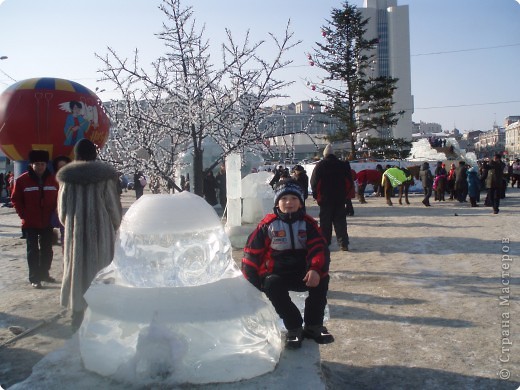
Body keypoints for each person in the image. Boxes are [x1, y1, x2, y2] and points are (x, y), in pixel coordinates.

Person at [241, 178, 333, 349]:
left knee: (322, 278)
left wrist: (315, 269)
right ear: (277, 203)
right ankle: (294, 327)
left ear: (300, 202)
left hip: (303, 273)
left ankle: (314, 326)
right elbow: (251, 255)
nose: (289, 202)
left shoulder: (308, 224)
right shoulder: (267, 225)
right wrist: (253, 282)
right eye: (283, 199)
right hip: (278, 274)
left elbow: (319, 249)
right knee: (271, 284)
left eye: (294, 198)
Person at [57, 139, 123, 329]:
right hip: (101, 236)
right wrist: (113, 226)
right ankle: (103, 317)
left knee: (77, 273)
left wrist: (74, 224)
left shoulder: (67, 179)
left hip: (75, 237)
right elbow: (113, 209)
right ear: (95, 154)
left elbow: (63, 213)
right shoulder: (104, 177)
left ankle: (77, 318)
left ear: (76, 155)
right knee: (101, 273)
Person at [11, 150, 59, 288]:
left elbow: (58, 198)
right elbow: (16, 199)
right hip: (30, 222)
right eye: (37, 164)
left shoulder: (53, 180)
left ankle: (44, 273)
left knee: (47, 250)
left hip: (47, 221)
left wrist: (55, 214)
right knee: (32, 250)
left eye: (43, 164)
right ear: (31, 164)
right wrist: (23, 215)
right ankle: (34, 278)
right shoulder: (22, 181)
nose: (40, 167)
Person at [310, 144, 351, 251]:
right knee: (340, 221)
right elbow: (349, 182)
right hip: (340, 198)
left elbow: (314, 182)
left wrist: (316, 195)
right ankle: (343, 243)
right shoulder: (342, 165)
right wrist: (345, 195)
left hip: (325, 199)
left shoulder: (320, 165)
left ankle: (325, 243)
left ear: (325, 154)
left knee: (325, 223)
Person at [51, 156, 72, 247]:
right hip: (58, 212)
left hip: (72, 213)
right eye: (60, 167)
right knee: (65, 236)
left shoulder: (74, 181)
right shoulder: (53, 181)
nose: (62, 169)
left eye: (64, 166)